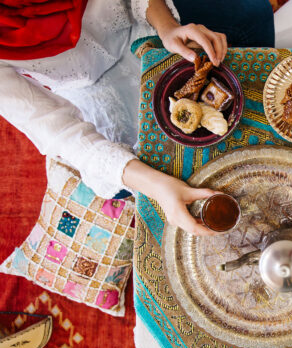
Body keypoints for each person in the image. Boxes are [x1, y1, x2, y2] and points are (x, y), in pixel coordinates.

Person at [0, 0, 274, 236]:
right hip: (93, 91)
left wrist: (167, 26)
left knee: (252, 12)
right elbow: (65, 138)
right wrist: (158, 186)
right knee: (154, 180)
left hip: (144, 25)